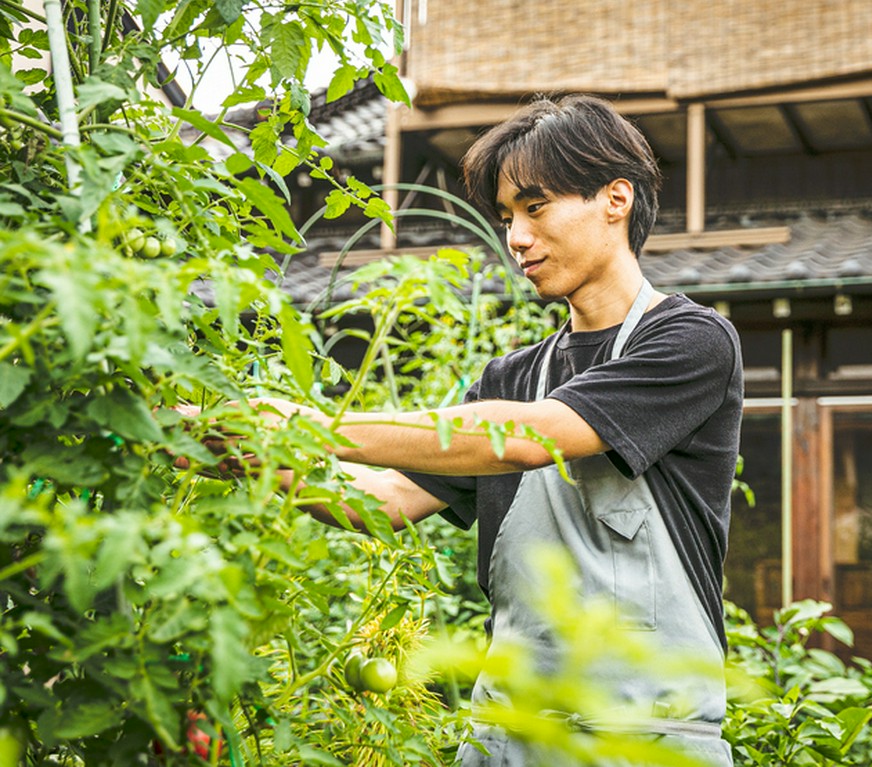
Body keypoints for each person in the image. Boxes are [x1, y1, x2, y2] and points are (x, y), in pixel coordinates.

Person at [181, 93, 742, 766]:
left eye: (536, 207)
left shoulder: (690, 341)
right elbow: (386, 498)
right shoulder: (511, 378)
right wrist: (247, 448)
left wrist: (312, 422)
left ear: (615, 198)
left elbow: (529, 436)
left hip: (645, 741)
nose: (517, 237)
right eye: (507, 216)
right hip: (505, 739)